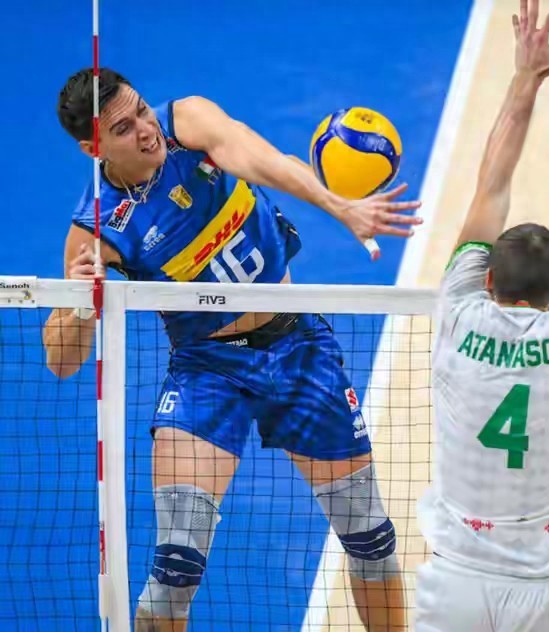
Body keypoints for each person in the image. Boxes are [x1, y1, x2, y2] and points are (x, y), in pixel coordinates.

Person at [43, 68, 421, 631]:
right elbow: (59, 359)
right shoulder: (98, 226)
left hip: (297, 346)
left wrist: (336, 205)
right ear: (93, 147)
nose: (147, 130)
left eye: (144, 110)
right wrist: (81, 299)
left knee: (370, 538)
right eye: (124, 128)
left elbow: (260, 159)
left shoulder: (186, 122)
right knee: (172, 574)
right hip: (208, 371)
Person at [414, 1, 549, 630]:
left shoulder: (459, 312)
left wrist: (525, 78)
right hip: (547, 587)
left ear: (484, 280)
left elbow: (490, 189)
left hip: (455, 577)